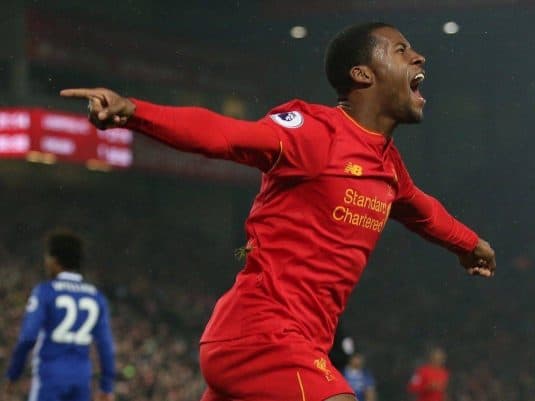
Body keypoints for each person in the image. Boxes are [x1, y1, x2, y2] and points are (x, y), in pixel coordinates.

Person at [60, 21, 496, 401]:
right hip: (263, 336)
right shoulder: (314, 131)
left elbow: (422, 209)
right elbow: (227, 135)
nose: (418, 55)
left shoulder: (386, 164)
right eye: (401, 49)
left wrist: (470, 244)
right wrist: (136, 112)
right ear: (362, 73)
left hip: (288, 344)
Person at [4, 230, 115, 401]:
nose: (46, 262)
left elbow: (28, 337)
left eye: (47, 257)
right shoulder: (95, 296)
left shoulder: (45, 292)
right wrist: (106, 387)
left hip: (50, 376)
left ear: (55, 260)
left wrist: (13, 373)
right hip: (81, 379)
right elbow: (106, 346)